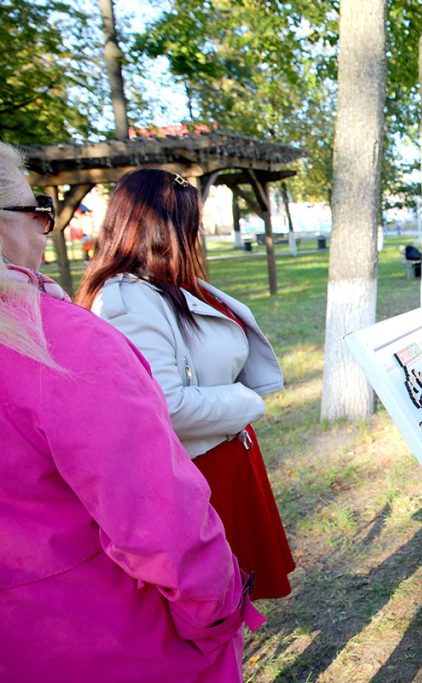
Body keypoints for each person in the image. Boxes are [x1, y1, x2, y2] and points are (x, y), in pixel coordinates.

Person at [0, 142, 261, 681]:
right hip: (111, 635)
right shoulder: (73, 336)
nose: (42, 233)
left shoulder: (163, 290)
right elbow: (157, 520)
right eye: (38, 213)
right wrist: (246, 400)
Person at [78, 169, 295, 601]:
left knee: (235, 595)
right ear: (166, 227)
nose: (195, 235)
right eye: (189, 224)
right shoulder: (128, 301)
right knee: (213, 603)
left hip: (226, 458)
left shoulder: (161, 284)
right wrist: (245, 399)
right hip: (199, 472)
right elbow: (165, 406)